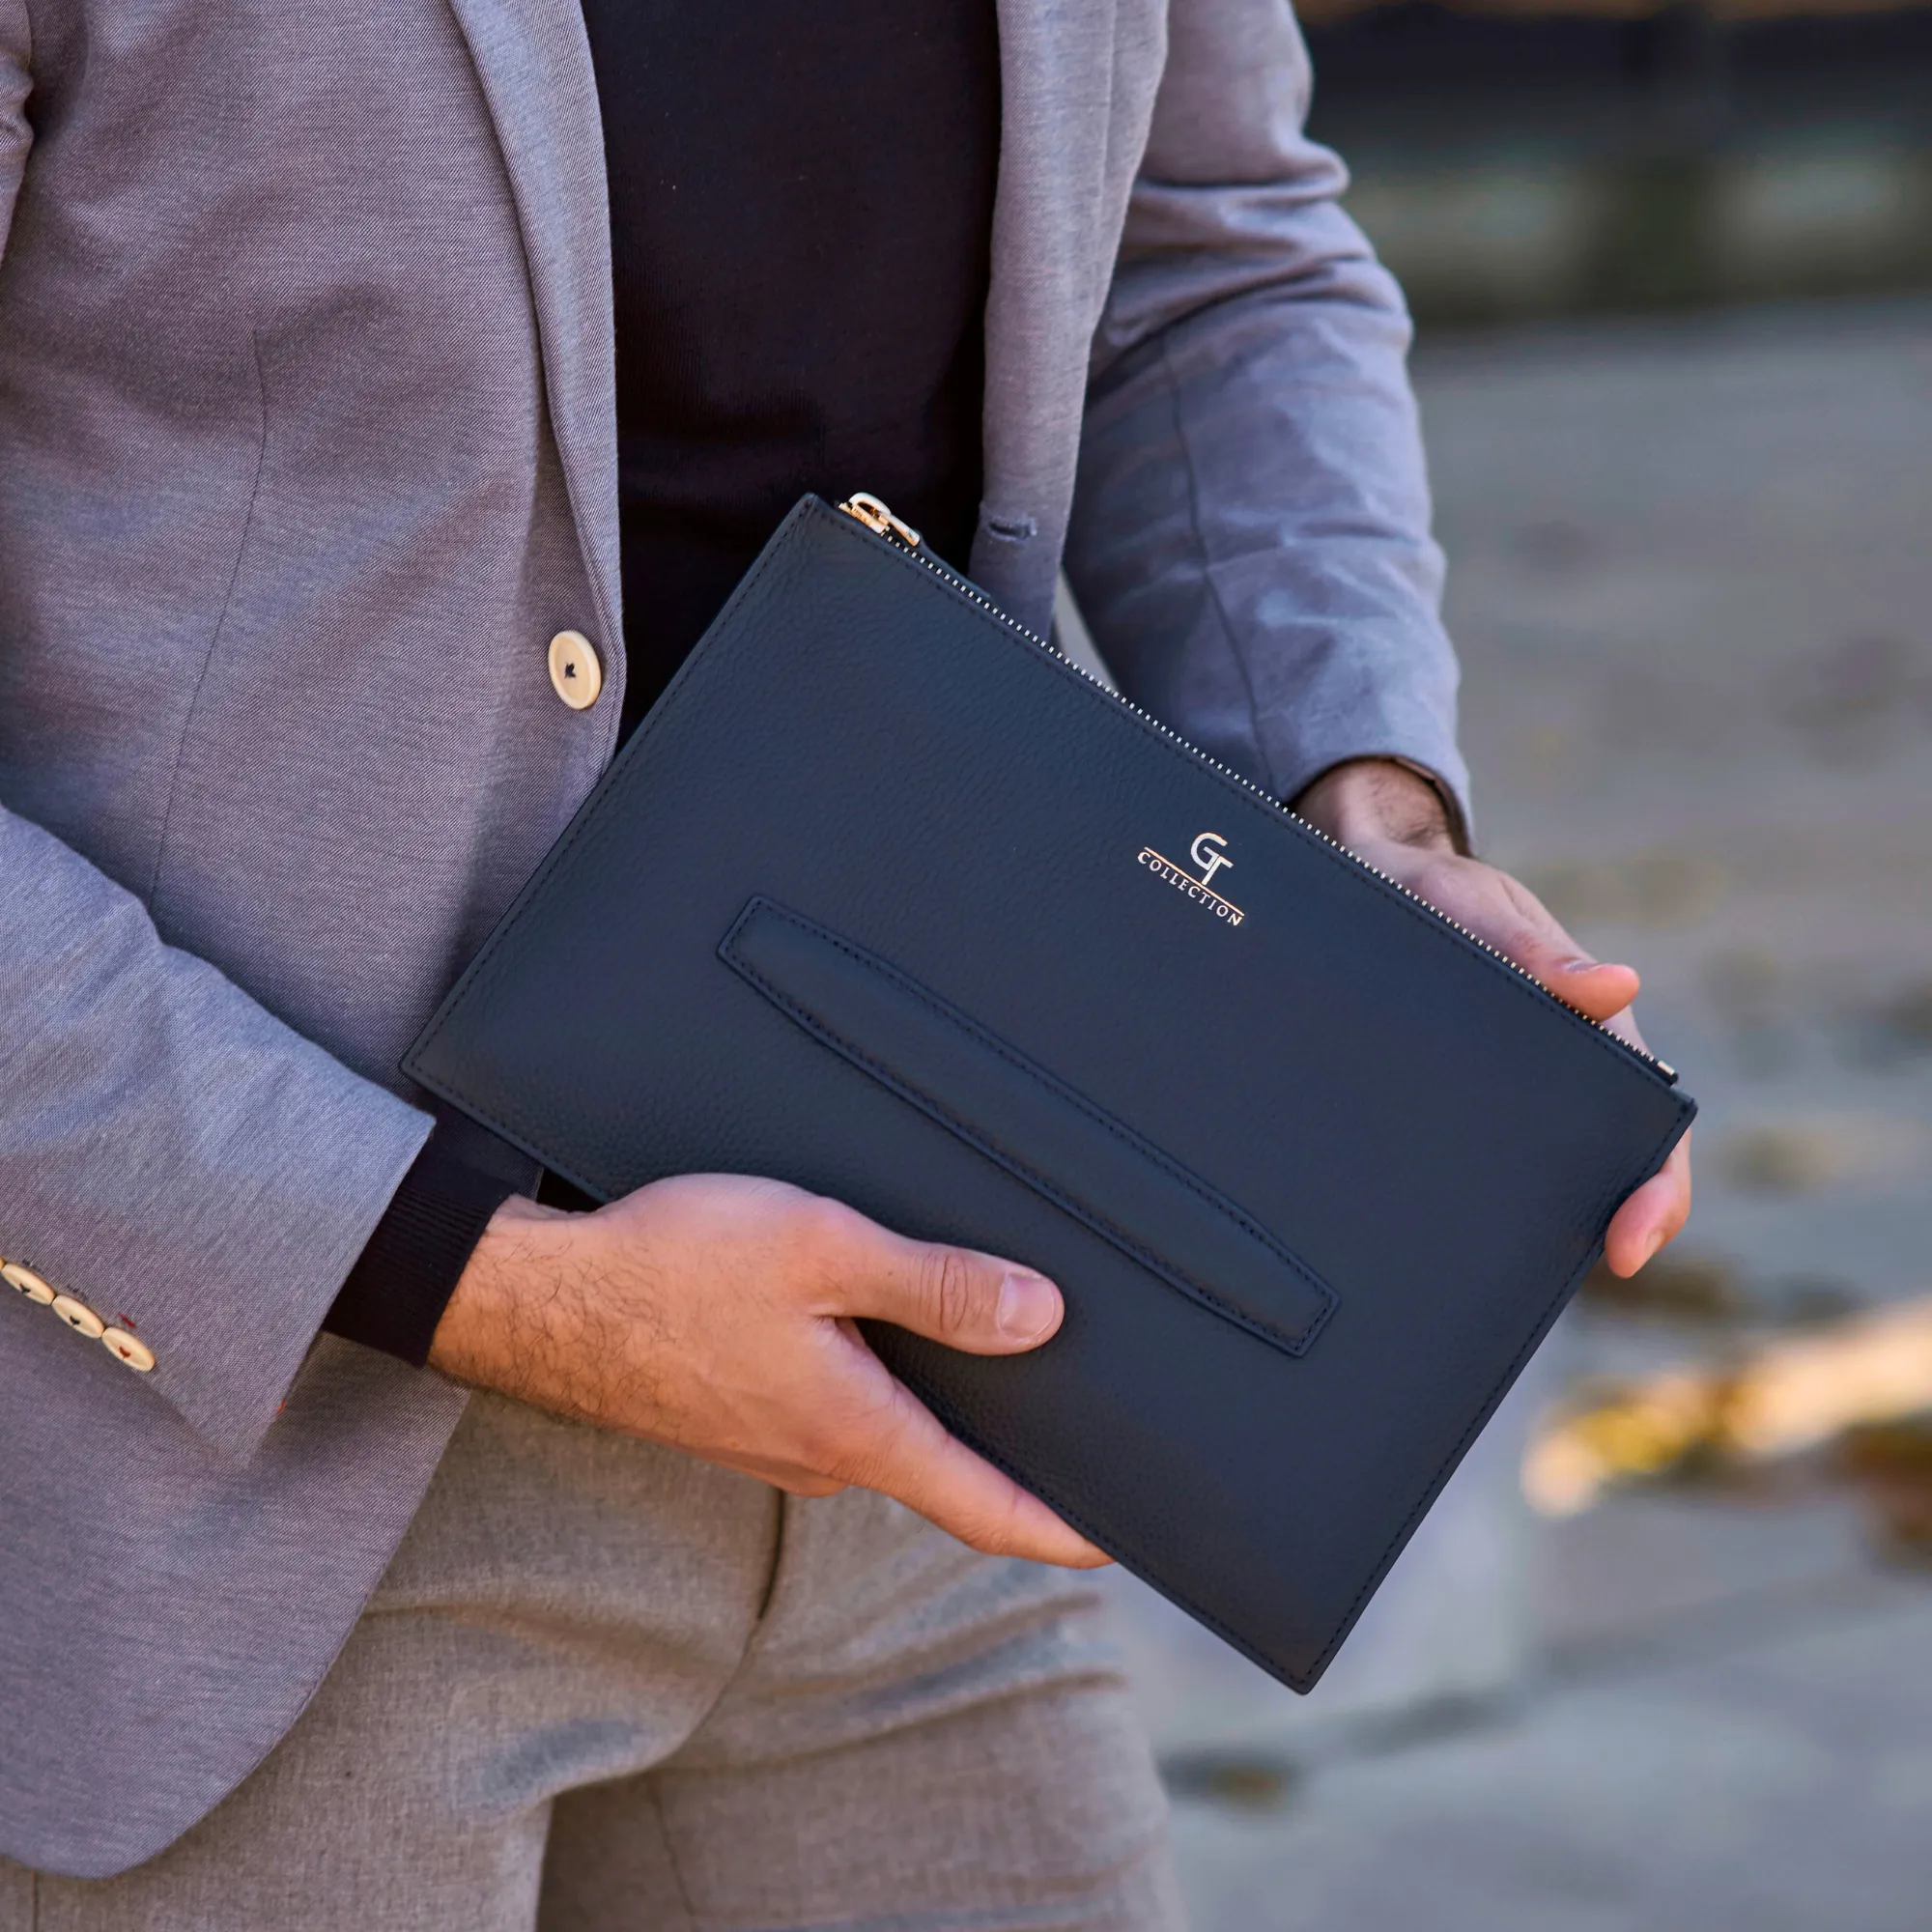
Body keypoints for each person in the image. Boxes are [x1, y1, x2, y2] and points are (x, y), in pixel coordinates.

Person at [0, 0, 1690, 1923]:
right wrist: (493, 1286)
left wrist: (1366, 810)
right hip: (238, 1457)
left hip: (917, 1384)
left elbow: (1200, 260)